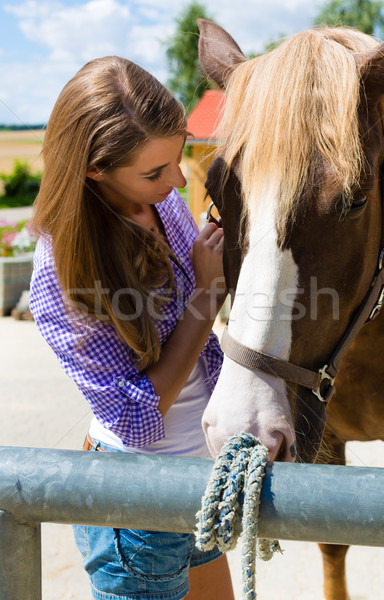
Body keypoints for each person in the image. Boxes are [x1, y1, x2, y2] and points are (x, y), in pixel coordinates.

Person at [29, 55, 234, 600]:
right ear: (94, 168)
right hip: (136, 511)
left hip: (199, 477)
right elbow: (135, 419)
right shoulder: (61, 271)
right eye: (154, 171)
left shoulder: (163, 205)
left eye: (178, 156)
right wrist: (205, 298)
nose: (177, 180)